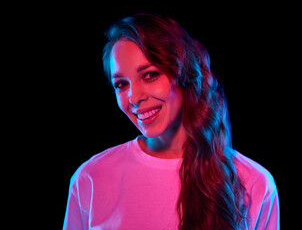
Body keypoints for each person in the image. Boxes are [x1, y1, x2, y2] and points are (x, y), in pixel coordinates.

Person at [63, 13, 279, 230]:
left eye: (150, 75)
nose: (134, 98)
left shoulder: (254, 184)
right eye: (121, 84)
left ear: (184, 73)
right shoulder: (90, 179)